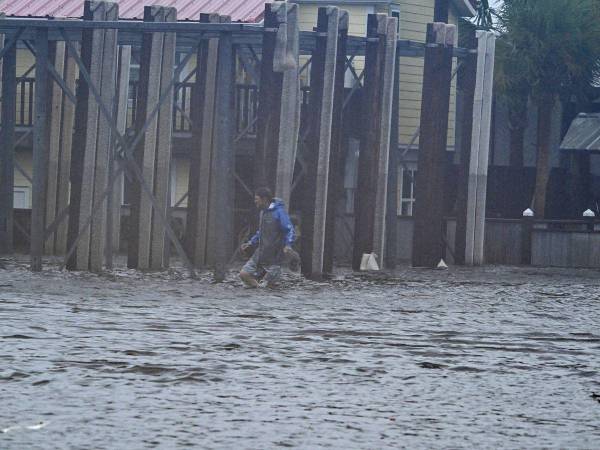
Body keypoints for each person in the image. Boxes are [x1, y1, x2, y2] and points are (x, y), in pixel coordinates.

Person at [239, 187, 295, 288]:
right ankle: (258, 289)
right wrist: (251, 242)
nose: (255, 201)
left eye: (257, 199)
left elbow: (289, 229)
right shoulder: (263, 212)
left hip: (275, 255)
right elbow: (261, 232)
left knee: (270, 285)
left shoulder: (279, 212)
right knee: (244, 274)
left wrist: (288, 244)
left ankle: (261, 293)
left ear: (264, 199)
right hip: (261, 252)